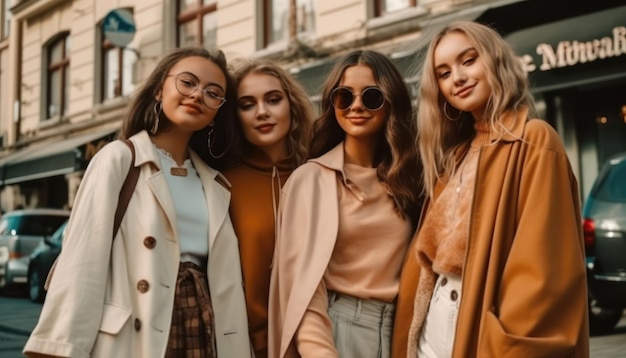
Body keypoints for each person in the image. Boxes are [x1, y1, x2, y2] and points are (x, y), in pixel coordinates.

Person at [23, 47, 252, 358]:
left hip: (203, 327)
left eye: (214, 93)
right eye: (188, 82)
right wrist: (58, 346)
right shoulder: (120, 158)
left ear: (217, 113)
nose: (198, 95)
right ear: (159, 89)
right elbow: (83, 260)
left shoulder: (215, 182)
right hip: (135, 331)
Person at [392, 21, 589, 357]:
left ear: (495, 60)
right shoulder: (455, 156)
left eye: (468, 61)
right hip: (431, 327)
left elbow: (544, 271)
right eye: (443, 73)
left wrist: (506, 344)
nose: (457, 77)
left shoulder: (534, 140)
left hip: (480, 327)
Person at [268, 50, 423, 358]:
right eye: (344, 96)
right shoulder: (310, 180)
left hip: (405, 330)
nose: (356, 105)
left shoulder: (411, 177)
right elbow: (304, 290)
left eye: (372, 96)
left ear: (391, 100)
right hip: (338, 329)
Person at [222, 58, 314, 358]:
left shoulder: (318, 176)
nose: (262, 112)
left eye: (273, 100)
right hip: (242, 347)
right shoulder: (221, 184)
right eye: (247, 104)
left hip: (314, 343)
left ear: (292, 105)